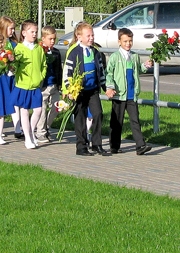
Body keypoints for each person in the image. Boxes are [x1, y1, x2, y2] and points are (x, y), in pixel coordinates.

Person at [63, 22, 109, 157]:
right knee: (80, 118)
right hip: (79, 91)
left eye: (92, 35)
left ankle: (96, 144)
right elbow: (67, 72)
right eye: (88, 36)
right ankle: (81, 146)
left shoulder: (95, 52)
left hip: (92, 90)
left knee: (98, 114)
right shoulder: (73, 52)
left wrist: (105, 87)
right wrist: (69, 89)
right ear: (79, 37)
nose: (91, 38)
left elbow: (100, 71)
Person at [105, 27, 153, 155]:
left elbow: (138, 69)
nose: (128, 44)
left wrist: (146, 66)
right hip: (119, 95)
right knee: (117, 121)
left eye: (130, 41)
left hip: (131, 95)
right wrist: (110, 87)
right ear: (119, 42)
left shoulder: (135, 56)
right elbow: (109, 73)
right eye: (125, 41)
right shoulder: (115, 57)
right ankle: (114, 146)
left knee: (135, 120)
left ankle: (140, 145)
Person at [12, 20, 47, 149]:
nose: (34, 34)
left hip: (35, 85)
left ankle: (30, 132)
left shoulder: (38, 48)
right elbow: (15, 65)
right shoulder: (19, 48)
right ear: (24, 33)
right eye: (32, 32)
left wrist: (41, 76)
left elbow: (43, 64)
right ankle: (27, 137)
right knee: (24, 111)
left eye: (36, 32)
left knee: (38, 110)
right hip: (23, 85)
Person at [35, 26, 62, 144]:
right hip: (43, 85)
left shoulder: (56, 52)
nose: (52, 41)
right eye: (50, 39)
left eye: (54, 39)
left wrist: (60, 83)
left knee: (57, 107)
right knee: (43, 109)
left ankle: (46, 127)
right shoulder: (39, 51)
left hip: (54, 85)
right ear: (43, 38)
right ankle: (40, 132)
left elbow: (59, 69)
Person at [0, 16, 21, 137]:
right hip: (2, 76)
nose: (12, 31)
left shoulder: (14, 43)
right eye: (10, 29)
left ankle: (18, 128)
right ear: (3, 28)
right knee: (1, 101)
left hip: (13, 76)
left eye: (13, 29)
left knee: (15, 101)